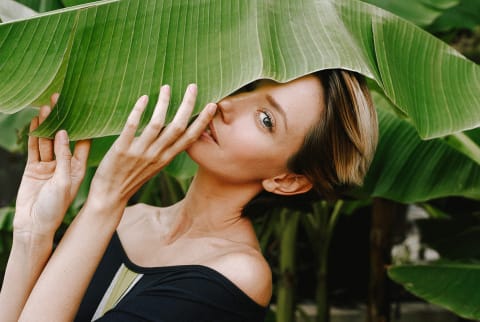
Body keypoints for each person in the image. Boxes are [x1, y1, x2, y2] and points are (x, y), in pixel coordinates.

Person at [0, 69, 377, 322]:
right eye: (248, 89)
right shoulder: (129, 218)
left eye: (266, 119)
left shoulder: (238, 276)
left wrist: (105, 199)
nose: (227, 105)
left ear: (289, 180)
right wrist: (33, 233)